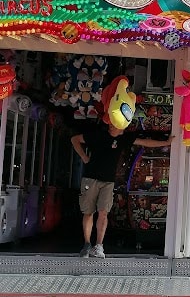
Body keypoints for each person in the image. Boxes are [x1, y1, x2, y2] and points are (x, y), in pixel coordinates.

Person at [71, 76, 173, 258]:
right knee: (88, 212)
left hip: (108, 181)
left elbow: (145, 142)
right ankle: (87, 244)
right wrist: (84, 157)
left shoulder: (124, 139)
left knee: (103, 213)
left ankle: (99, 245)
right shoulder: (98, 135)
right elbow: (75, 139)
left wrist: (165, 142)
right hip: (91, 177)